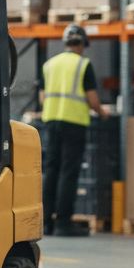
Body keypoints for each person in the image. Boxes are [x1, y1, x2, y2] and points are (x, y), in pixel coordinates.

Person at [39, 24, 103, 237]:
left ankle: (45, 222)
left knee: (51, 171)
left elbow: (42, 97)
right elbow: (93, 99)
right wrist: (102, 113)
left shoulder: (50, 64)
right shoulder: (83, 65)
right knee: (68, 172)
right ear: (82, 44)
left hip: (51, 122)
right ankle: (63, 223)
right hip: (74, 123)